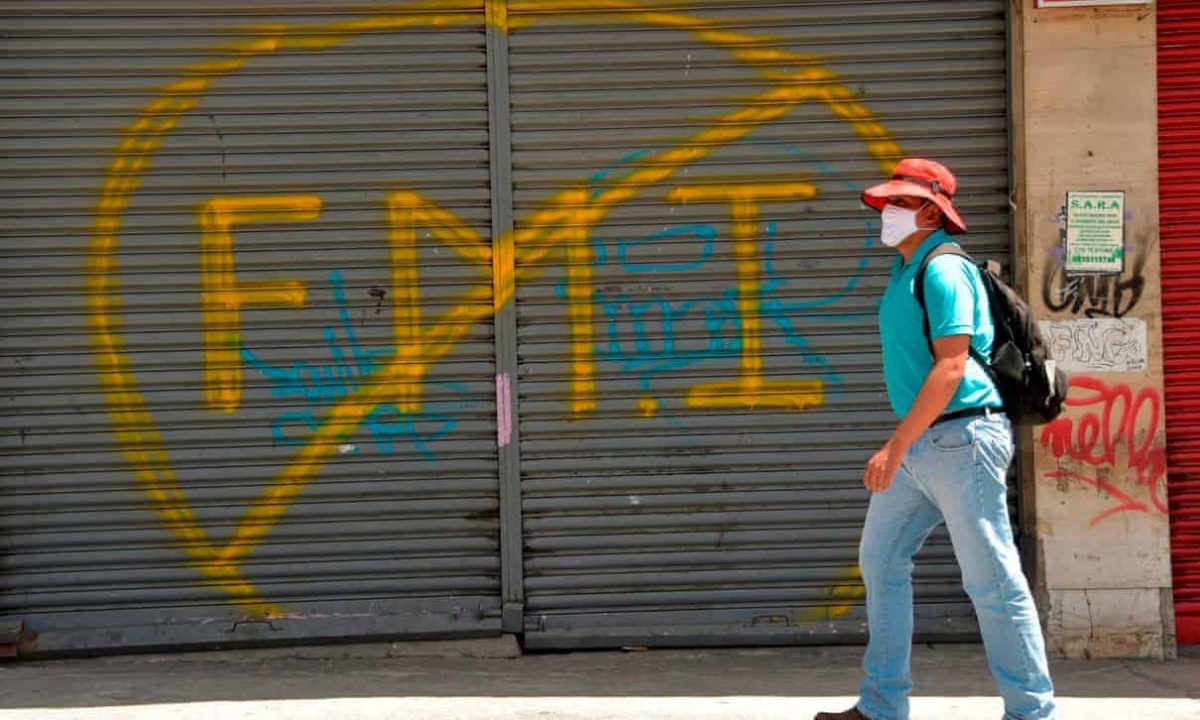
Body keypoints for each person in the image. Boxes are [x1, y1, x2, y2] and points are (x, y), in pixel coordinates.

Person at [814, 159, 1057, 720]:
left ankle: (1033, 713)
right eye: (888, 202)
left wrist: (895, 446)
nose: (888, 212)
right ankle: (881, 705)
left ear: (929, 209)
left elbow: (950, 367)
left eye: (900, 202)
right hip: (926, 443)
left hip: (963, 439)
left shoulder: (944, 269)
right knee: (881, 561)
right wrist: (904, 445)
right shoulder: (907, 268)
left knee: (991, 580)